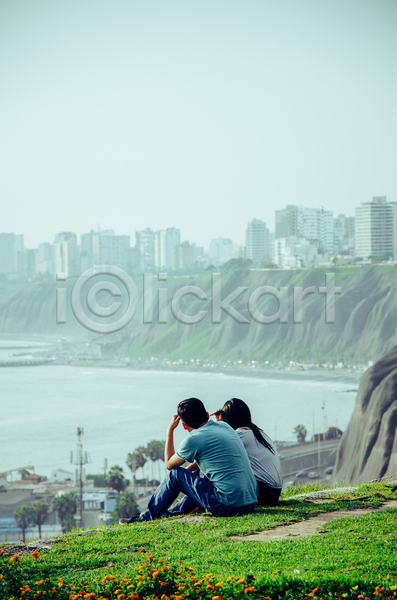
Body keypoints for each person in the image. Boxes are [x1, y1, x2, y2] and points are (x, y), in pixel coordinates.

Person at [119, 397, 258, 523]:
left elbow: (169, 464)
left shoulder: (194, 438)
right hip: (250, 502)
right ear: (207, 414)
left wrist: (169, 431)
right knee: (205, 480)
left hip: (228, 506)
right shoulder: (225, 426)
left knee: (175, 475)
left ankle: (146, 518)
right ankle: (170, 513)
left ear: (184, 425)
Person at [213, 398, 282, 506]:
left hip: (264, 492)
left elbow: (216, 451)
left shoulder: (242, 434)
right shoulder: (258, 432)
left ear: (229, 417)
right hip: (273, 493)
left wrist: (220, 425)